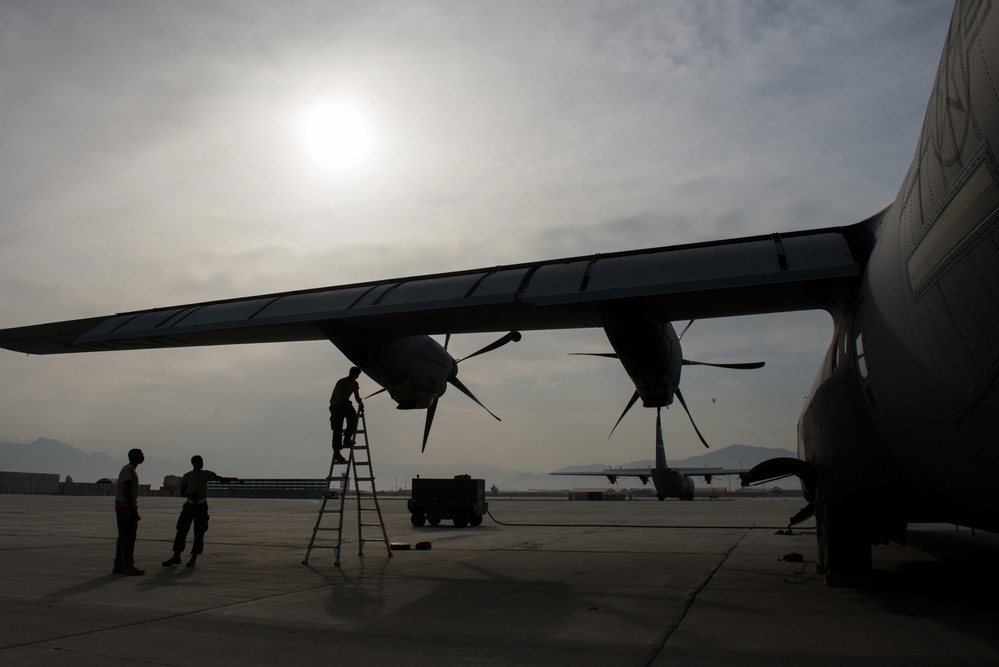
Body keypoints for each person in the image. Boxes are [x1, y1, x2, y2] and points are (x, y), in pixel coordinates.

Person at [162, 455, 239, 568]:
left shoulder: (206, 474)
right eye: (199, 462)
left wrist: (233, 479)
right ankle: (176, 556)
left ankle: (193, 557)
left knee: (199, 532)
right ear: (194, 463)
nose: (202, 464)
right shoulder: (187, 476)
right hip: (189, 505)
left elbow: (221, 479)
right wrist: (189, 495)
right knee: (181, 530)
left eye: (202, 462)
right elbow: (182, 493)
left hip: (201, 506)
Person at [113, 448, 145, 576]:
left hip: (124, 506)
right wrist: (131, 506)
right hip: (125, 507)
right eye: (141, 455)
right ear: (134, 457)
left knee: (123, 537)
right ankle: (128, 566)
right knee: (128, 537)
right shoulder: (129, 470)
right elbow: (126, 486)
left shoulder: (130, 469)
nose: (143, 457)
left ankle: (118, 565)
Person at [329, 366, 364, 462]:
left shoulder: (341, 381)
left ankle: (337, 452)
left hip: (334, 406)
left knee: (337, 430)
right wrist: (361, 404)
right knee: (353, 419)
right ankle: (347, 439)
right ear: (356, 375)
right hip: (342, 404)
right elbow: (357, 398)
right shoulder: (354, 383)